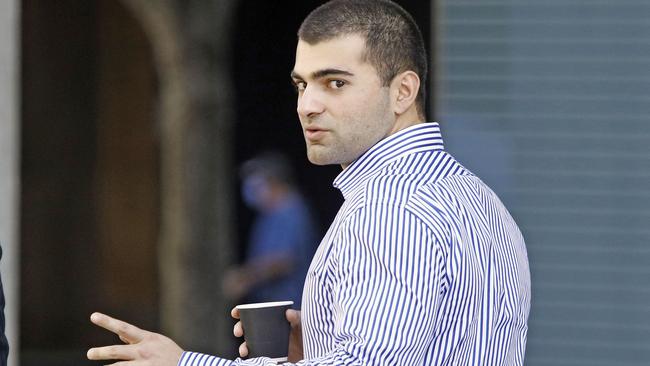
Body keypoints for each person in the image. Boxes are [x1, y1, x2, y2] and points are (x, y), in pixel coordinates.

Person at [87, 1, 531, 365]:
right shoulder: (478, 196)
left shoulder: (389, 209)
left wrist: (186, 364)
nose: (307, 106)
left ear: (403, 92)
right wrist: (321, 347)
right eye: (302, 85)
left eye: (335, 83)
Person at [222, 152, 318, 307]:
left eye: (257, 183)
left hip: (290, 305)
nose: (251, 189)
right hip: (272, 305)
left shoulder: (290, 210)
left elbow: (284, 260)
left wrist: (246, 277)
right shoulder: (269, 214)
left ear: (274, 182)